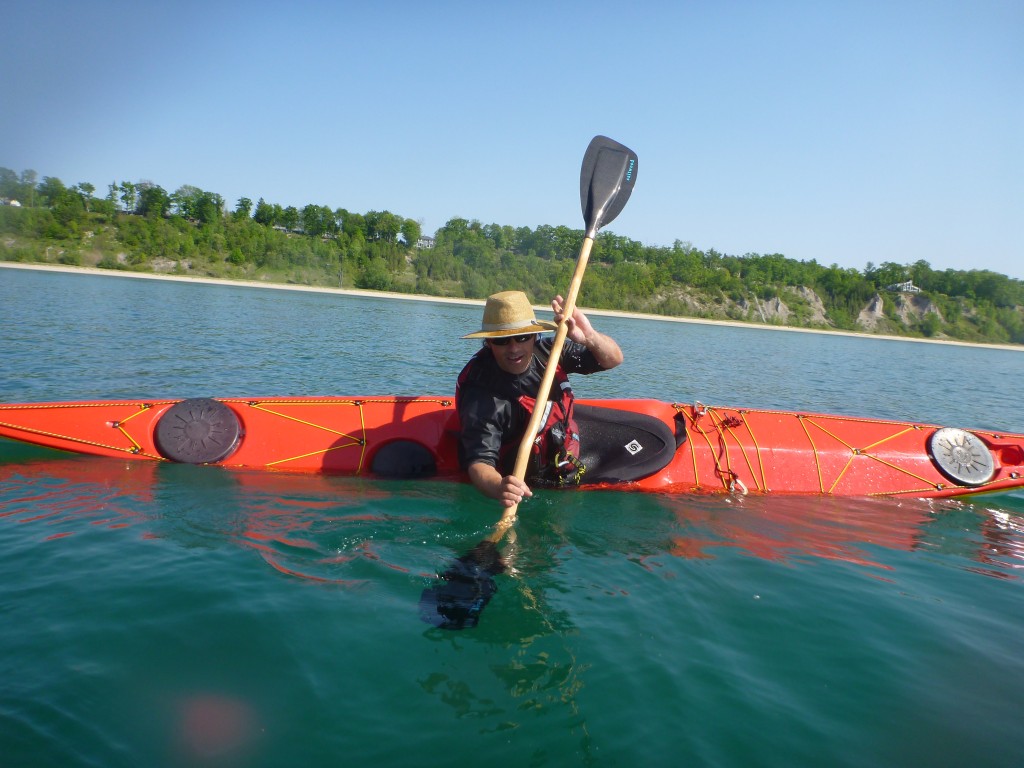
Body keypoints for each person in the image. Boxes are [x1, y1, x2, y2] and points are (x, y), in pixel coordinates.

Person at [456, 290, 623, 508]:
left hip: (562, 454)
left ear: (535, 336)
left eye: (523, 337)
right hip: (521, 477)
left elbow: (613, 359)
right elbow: (480, 463)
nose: (514, 348)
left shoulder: (550, 352)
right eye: (503, 340)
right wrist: (499, 487)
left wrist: (589, 337)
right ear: (489, 343)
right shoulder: (482, 393)